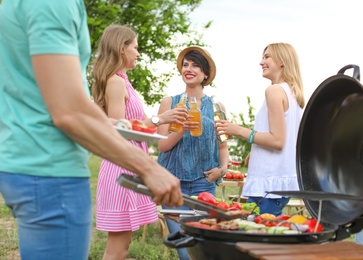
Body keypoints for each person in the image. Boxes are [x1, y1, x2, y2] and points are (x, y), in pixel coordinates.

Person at [0, 1, 183, 260]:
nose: (138, 53)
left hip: (25, 162)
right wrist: (149, 167)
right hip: (49, 168)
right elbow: (69, 111)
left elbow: (77, 105)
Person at [91, 24, 188, 260]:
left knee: (121, 248)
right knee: (117, 249)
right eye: (135, 47)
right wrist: (160, 118)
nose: (138, 52)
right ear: (121, 49)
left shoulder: (122, 80)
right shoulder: (116, 81)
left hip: (128, 165)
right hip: (121, 167)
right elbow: (117, 127)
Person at [156, 46, 230, 260]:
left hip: (203, 184)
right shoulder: (169, 102)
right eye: (185, 65)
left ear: (205, 74)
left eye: (195, 65)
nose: (189, 69)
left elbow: (222, 145)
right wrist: (183, 129)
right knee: (184, 250)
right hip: (172, 182)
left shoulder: (217, 106)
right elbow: (163, 146)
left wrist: (222, 169)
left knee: (203, 248)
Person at [216, 43, 305, 216]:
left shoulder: (274, 91)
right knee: (268, 235)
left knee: (254, 237)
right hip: (280, 182)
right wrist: (257, 150)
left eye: (267, 57)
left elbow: (277, 141)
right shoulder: (293, 93)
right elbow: (285, 138)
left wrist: (237, 130)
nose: (261, 62)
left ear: (282, 61)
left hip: (268, 186)